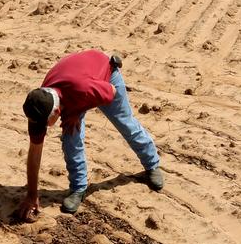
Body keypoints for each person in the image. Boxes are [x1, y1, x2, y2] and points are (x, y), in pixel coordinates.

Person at [19, 49, 164, 219]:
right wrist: (32, 195)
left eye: (45, 124)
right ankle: (78, 188)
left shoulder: (83, 89)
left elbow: (111, 91)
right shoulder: (38, 105)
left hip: (105, 77)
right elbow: (35, 152)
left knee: (125, 123)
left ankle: (152, 164)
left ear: (57, 111)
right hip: (76, 84)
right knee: (70, 139)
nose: (42, 128)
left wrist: (76, 112)